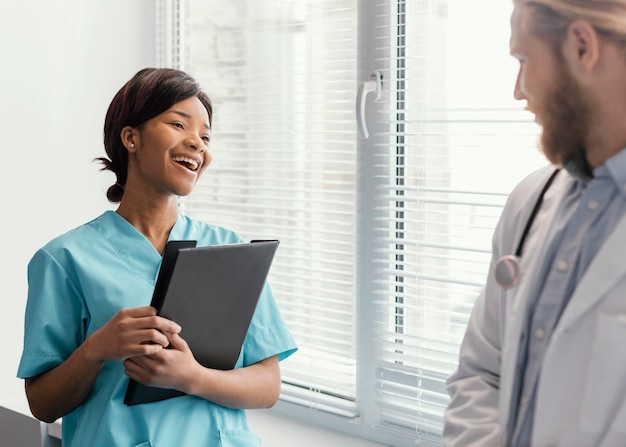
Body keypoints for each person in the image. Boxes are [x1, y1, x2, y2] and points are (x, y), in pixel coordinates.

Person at [17, 68, 297, 447]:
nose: (197, 143)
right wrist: (97, 348)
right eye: (179, 125)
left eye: (205, 135)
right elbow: (43, 404)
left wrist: (191, 377)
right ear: (131, 138)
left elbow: (267, 385)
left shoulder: (231, 251)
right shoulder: (63, 260)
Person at [444, 1, 626, 446]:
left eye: (523, 60)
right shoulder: (531, 200)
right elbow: (481, 373)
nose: (518, 91)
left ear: (582, 46)